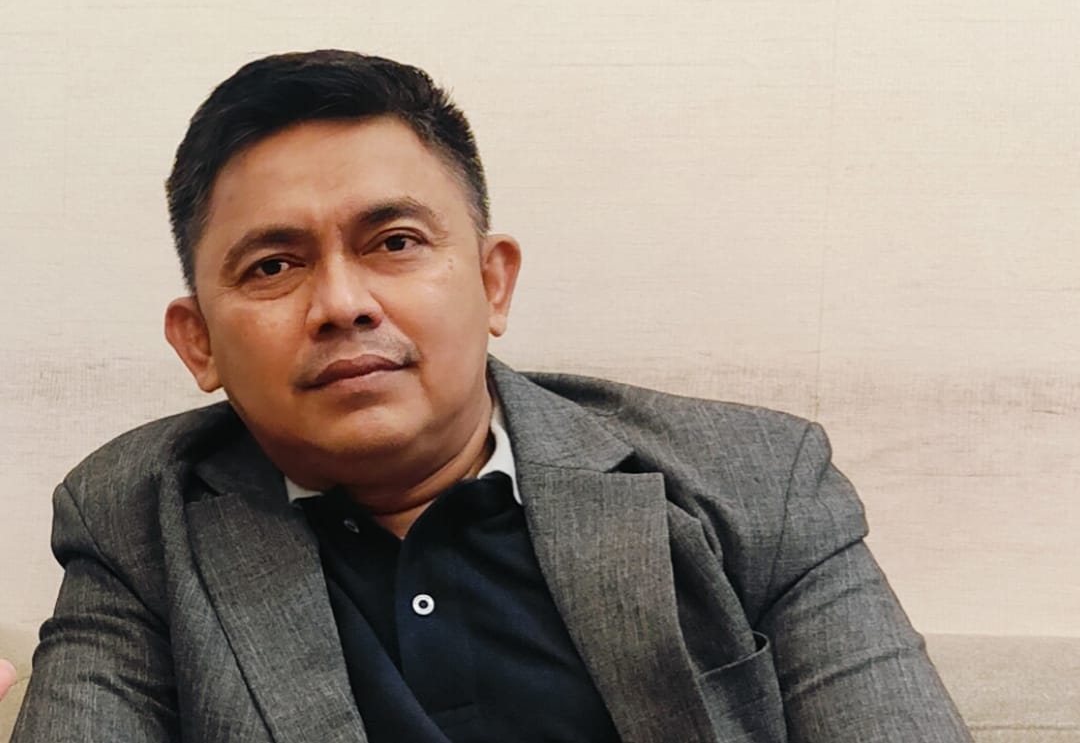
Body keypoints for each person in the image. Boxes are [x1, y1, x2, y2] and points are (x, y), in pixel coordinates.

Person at [11, 50, 973, 742]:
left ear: (492, 281)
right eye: (273, 264)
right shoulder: (137, 521)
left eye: (394, 243)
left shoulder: (757, 483)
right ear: (199, 342)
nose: (342, 303)